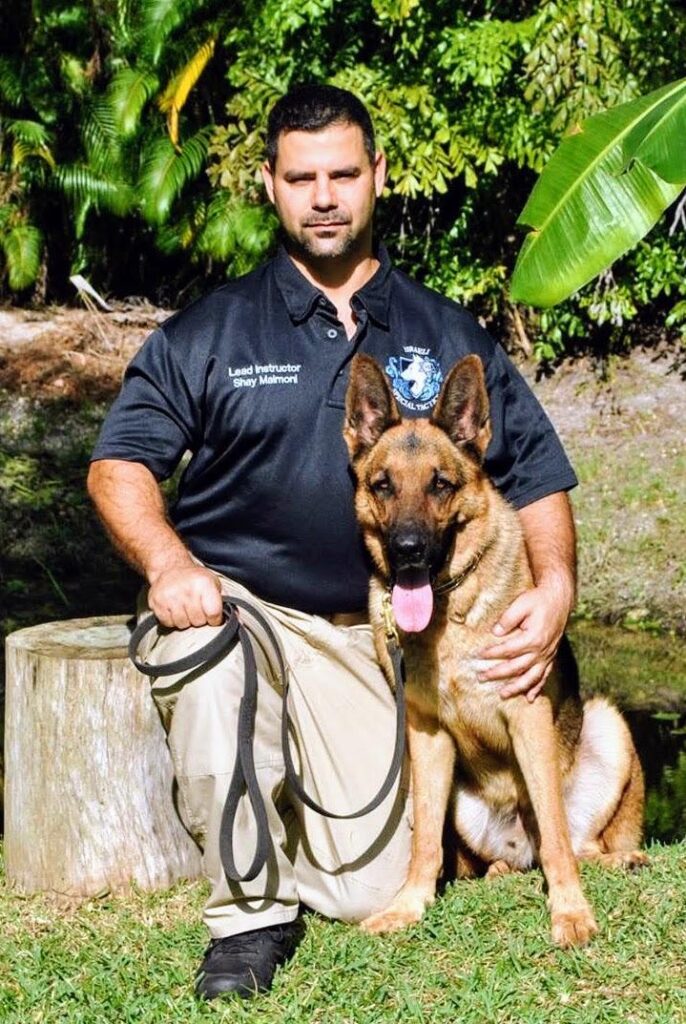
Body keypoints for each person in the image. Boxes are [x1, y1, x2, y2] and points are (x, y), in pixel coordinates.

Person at [87, 84, 578, 1001]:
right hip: (240, 613)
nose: (323, 197)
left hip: (377, 639)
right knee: (204, 654)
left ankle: (290, 815)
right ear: (269, 185)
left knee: (367, 890)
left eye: (343, 175)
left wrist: (554, 591)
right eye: (302, 178)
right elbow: (118, 466)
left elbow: (539, 475)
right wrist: (169, 564)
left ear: (377, 176)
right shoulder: (213, 329)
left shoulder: (445, 329)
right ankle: (247, 921)